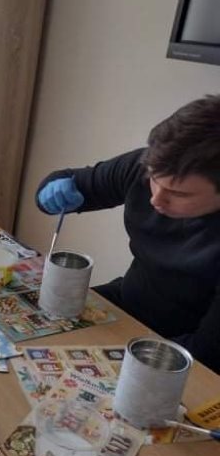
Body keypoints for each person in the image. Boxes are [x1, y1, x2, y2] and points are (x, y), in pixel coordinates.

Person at [35, 94, 220, 374]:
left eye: (179, 194)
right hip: (127, 301)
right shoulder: (146, 167)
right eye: (153, 180)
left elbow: (208, 352)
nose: (156, 199)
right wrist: (51, 191)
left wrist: (109, 363)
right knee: (33, 327)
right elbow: (73, 181)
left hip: (184, 348)